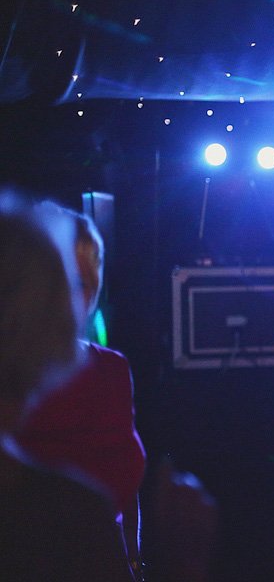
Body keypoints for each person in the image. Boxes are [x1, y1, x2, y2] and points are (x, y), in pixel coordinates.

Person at [0, 190, 135, 581]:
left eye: (85, 283)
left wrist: (135, 560)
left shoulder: (112, 369)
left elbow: (125, 491)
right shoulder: (66, 508)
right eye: (64, 284)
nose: (74, 300)